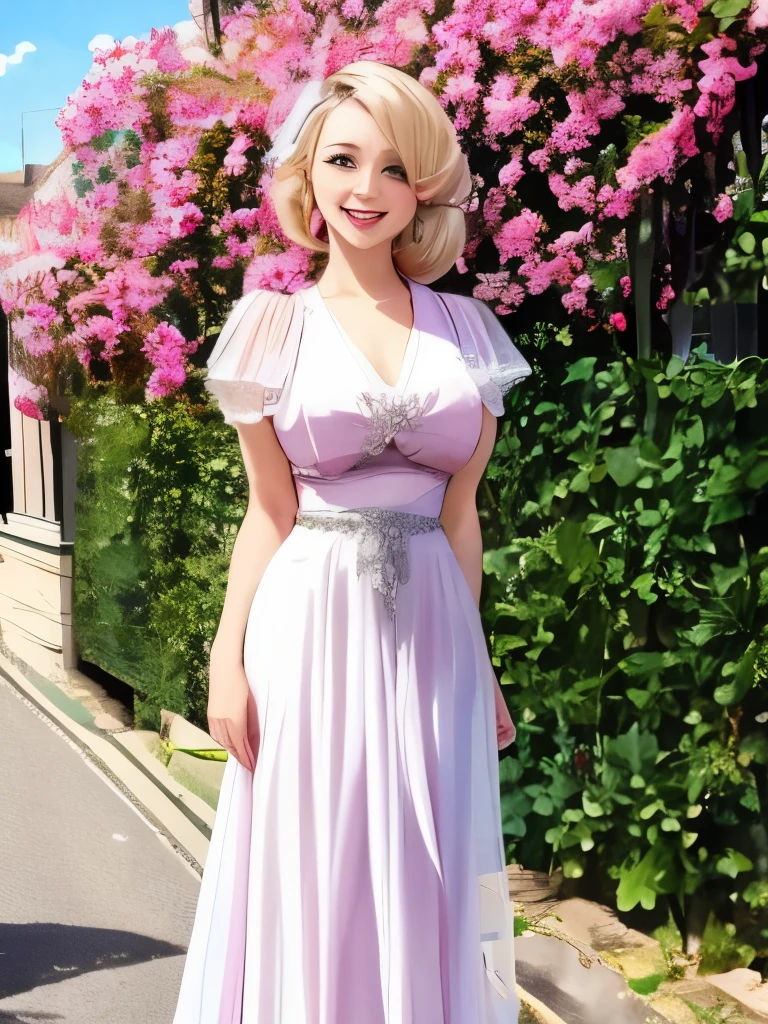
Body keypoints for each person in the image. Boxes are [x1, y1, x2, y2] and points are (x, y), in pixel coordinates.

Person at [172, 60, 532, 1024]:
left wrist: (483, 659)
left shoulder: (470, 331)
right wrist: (225, 659)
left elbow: (461, 513)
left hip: (440, 645)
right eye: (342, 160)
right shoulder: (270, 328)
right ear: (307, 175)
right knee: (318, 855)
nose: (364, 190)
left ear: (423, 188)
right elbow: (270, 510)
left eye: (392, 167)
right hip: (309, 633)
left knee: (433, 860)